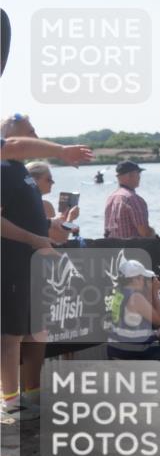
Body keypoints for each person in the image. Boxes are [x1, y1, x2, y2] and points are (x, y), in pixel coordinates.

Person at [0, 116, 57, 421]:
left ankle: (31, 393)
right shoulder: (4, 168)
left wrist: (51, 229)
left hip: (31, 262)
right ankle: (10, 400)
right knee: (10, 335)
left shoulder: (20, 170)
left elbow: (25, 214)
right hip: (10, 263)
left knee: (36, 330)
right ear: (10, 134)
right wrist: (35, 239)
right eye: (31, 132)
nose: (37, 137)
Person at [26, 161, 79, 242]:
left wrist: (65, 217)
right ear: (34, 181)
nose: (53, 182)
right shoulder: (44, 205)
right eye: (49, 179)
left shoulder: (13, 203)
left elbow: (57, 226)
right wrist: (70, 218)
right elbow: (59, 239)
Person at [104, 161, 156, 239]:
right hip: (132, 249)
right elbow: (145, 233)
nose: (139, 177)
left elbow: (107, 232)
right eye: (138, 173)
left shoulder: (111, 198)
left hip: (113, 249)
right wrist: (153, 232)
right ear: (129, 175)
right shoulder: (133, 199)